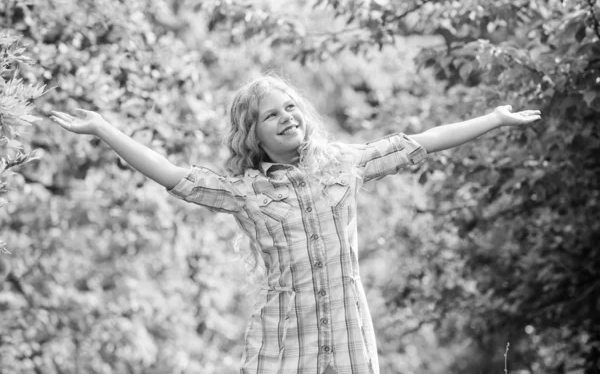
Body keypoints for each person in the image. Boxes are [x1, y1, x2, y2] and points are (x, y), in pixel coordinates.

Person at [50, 74, 541, 374]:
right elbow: (172, 175)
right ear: (253, 134)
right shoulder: (245, 192)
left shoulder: (345, 165)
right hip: (282, 347)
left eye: (291, 107)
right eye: (270, 115)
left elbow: (424, 140)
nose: (286, 117)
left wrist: (493, 119)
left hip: (350, 338)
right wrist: (103, 128)